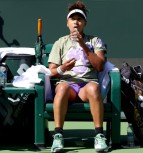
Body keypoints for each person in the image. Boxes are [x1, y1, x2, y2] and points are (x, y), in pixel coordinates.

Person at [48, 1, 108, 153]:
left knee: (94, 88)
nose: (76, 22)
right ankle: (58, 136)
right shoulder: (60, 42)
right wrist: (63, 68)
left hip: (87, 85)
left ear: (84, 23)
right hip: (68, 86)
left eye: (79, 19)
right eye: (72, 19)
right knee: (61, 88)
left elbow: (100, 66)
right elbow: (52, 71)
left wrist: (83, 44)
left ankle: (99, 135)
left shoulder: (95, 40)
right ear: (67, 23)